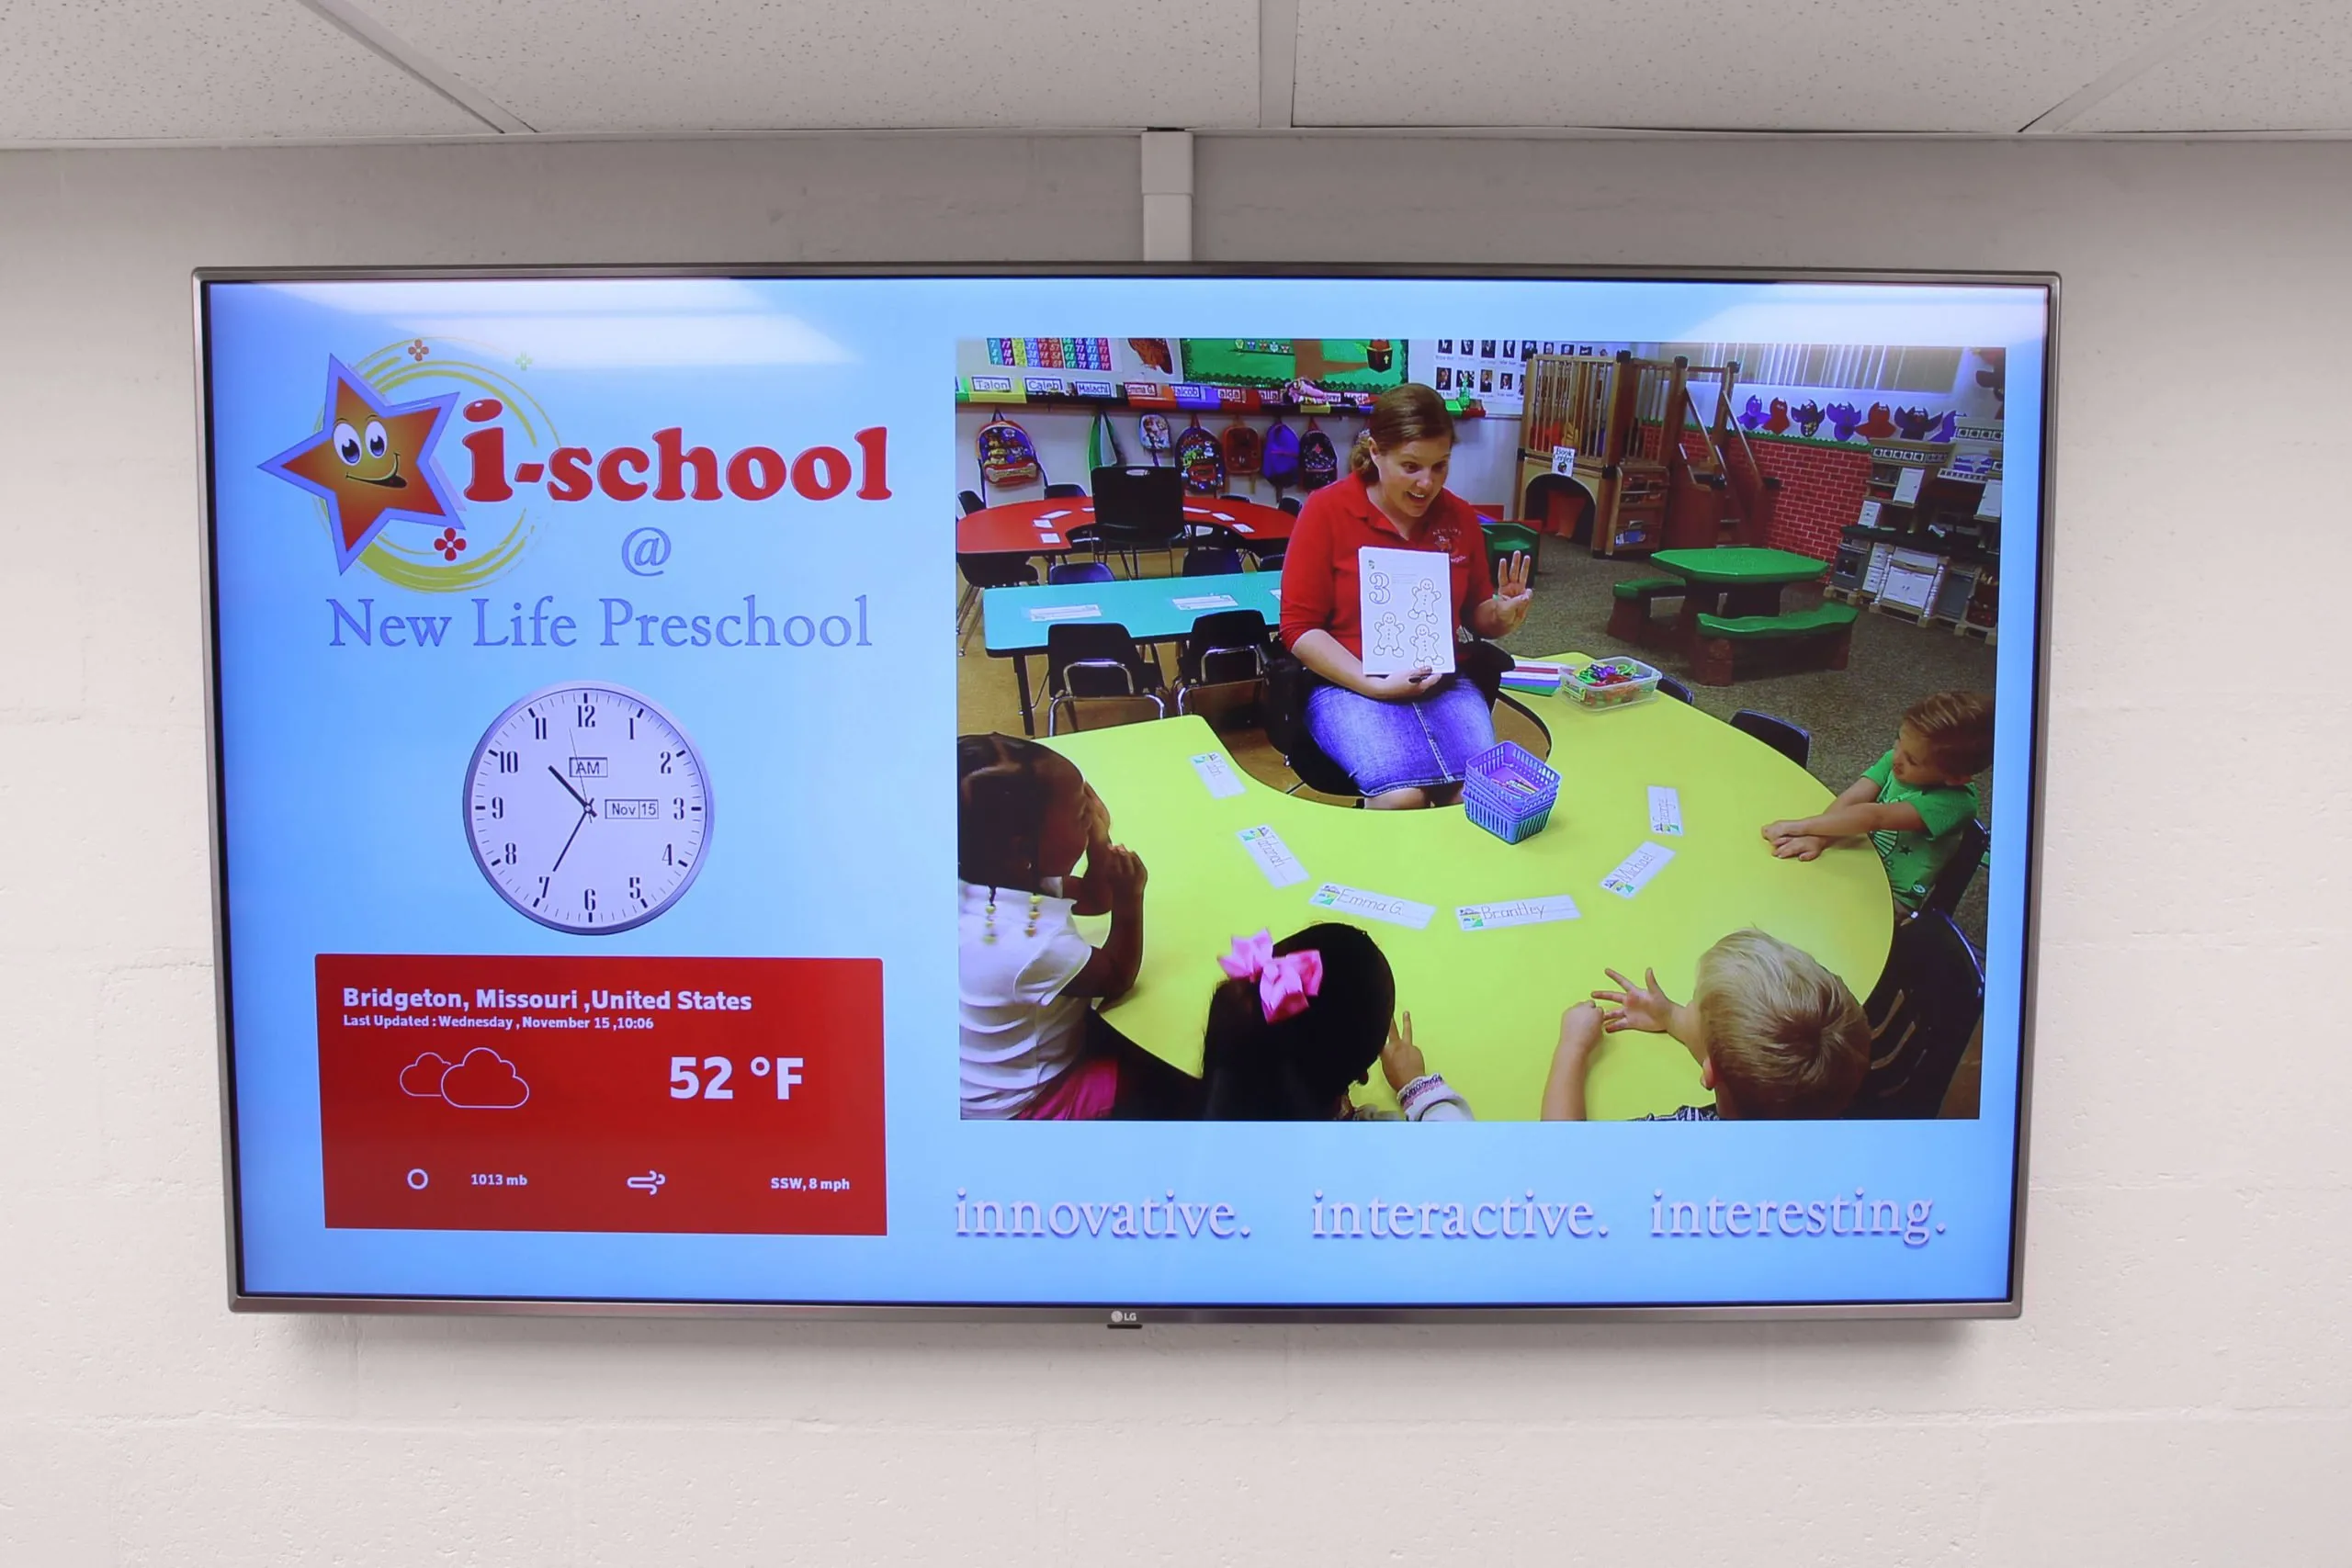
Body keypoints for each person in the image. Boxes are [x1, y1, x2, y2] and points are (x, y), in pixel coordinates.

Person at [1277, 382, 1534, 808]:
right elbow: (1299, 628)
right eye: (1411, 466)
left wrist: (1501, 614)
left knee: (1475, 794)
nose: (1426, 483)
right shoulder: (1326, 510)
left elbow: (1475, 614)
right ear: (1376, 452)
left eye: (1440, 466)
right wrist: (1372, 684)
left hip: (1441, 681)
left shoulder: (1459, 517)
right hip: (1347, 683)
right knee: (1401, 797)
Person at [956, 734, 1199, 1120]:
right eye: (1080, 815)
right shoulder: (1033, 944)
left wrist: (1098, 841)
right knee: (1170, 1074)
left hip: (982, 1078)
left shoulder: (992, 875)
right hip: (1026, 1103)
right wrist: (1130, 899)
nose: (1091, 814)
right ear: (1023, 847)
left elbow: (1092, 899)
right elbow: (1117, 976)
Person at [1542, 930, 1870, 1121]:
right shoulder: (1830, 1106)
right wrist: (1670, 1016)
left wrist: (1572, 1047)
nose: (1686, 1006)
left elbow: (1564, 1165)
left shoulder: (1684, 1142)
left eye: (1691, 1003)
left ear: (1710, 1074)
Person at [1201, 924, 1471, 1121]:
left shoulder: (1212, 1111)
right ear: (1361, 1073)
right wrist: (1417, 1086)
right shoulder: (1375, 1153)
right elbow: (1456, 1151)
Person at [1760, 691, 1994, 910]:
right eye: (1898, 740)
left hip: (1891, 897)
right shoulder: (1897, 759)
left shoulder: (1955, 804)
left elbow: (1874, 817)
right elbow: (1854, 797)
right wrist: (1817, 837)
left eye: (1912, 760)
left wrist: (1801, 827)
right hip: (1855, 855)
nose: (1897, 757)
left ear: (1956, 778)